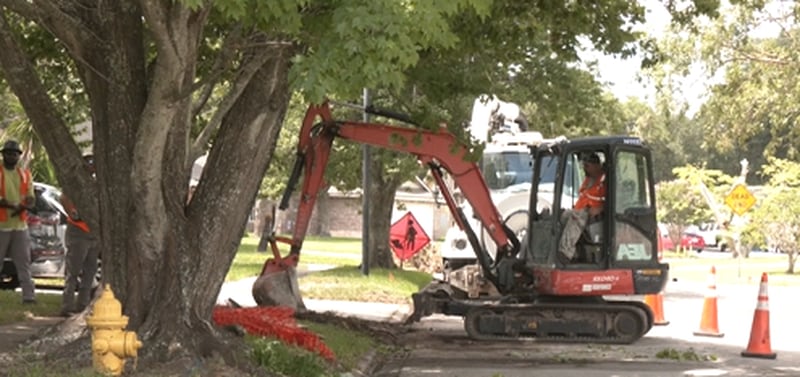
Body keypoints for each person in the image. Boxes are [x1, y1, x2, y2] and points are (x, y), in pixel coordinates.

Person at [60, 154, 99, 316]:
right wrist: (73, 212)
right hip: (78, 231)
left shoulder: (97, 184)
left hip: (94, 232)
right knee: (73, 270)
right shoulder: (74, 184)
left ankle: (82, 305)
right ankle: (67, 305)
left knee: (90, 270)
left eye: (93, 163)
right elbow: (63, 197)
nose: (91, 167)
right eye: (88, 163)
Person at [0, 140, 36, 304]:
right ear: (3, 155)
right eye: (8, 153)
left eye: (14, 154)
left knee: (24, 263)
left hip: (20, 225)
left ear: (18, 156)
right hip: (2, 225)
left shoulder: (24, 173)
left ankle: (29, 297)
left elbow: (30, 198)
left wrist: (23, 206)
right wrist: (12, 205)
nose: (11, 156)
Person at [558, 153, 607, 263]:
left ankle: (565, 253)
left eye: (587, 166)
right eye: (584, 166)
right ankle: (574, 253)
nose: (585, 169)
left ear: (597, 166)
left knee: (577, 217)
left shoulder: (604, 180)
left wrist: (600, 208)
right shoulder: (589, 179)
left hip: (593, 213)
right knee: (562, 215)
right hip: (581, 209)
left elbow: (612, 200)